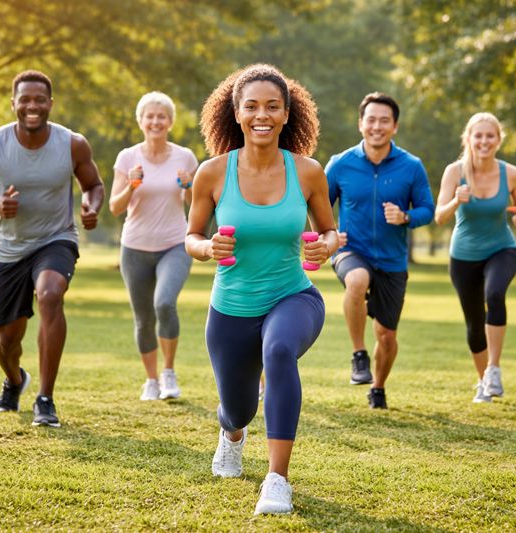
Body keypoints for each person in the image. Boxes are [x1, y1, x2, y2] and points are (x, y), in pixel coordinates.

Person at [185, 64, 337, 515]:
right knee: (238, 409)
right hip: (231, 308)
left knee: (278, 351)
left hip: (294, 295)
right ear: (235, 113)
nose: (262, 115)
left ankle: (277, 480)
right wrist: (207, 245)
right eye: (251, 106)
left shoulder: (308, 172)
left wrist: (323, 248)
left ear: (288, 114)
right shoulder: (212, 173)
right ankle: (231, 433)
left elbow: (329, 230)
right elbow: (190, 237)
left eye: (273, 106)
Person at [0, 70, 105, 427]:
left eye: (40, 99)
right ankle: (14, 380)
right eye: (25, 99)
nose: (32, 106)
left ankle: (45, 398)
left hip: (56, 239)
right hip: (10, 248)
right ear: (13, 104)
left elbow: (94, 185)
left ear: (51, 104)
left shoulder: (73, 144)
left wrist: (91, 207)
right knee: (7, 341)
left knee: (51, 293)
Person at [325, 92, 434, 409]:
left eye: (384, 120)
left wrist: (406, 217)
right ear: (361, 124)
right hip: (351, 250)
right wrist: (327, 232)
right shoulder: (340, 164)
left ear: (395, 126)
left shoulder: (411, 167)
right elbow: (317, 203)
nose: (376, 126)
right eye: (370, 119)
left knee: (386, 335)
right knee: (356, 281)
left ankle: (378, 386)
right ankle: (359, 354)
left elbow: (428, 208)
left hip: (391, 259)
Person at [435, 112, 516, 403]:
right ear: (469, 139)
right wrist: (456, 200)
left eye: (490, 136)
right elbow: (439, 217)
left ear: (498, 140)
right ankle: (483, 382)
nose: (484, 141)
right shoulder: (455, 172)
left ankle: (494, 369)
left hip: (502, 248)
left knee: (495, 293)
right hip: (463, 256)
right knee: (474, 323)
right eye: (478, 136)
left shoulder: (511, 173)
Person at [109, 92, 198, 401]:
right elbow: (115, 207)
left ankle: (169, 372)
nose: (156, 121)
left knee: (164, 303)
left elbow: (198, 206)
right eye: (150, 116)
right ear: (141, 121)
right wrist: (131, 185)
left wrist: (189, 187)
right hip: (134, 247)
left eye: (162, 116)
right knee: (144, 317)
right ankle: (151, 380)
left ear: (170, 122)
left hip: (174, 243)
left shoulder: (185, 157)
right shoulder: (127, 158)